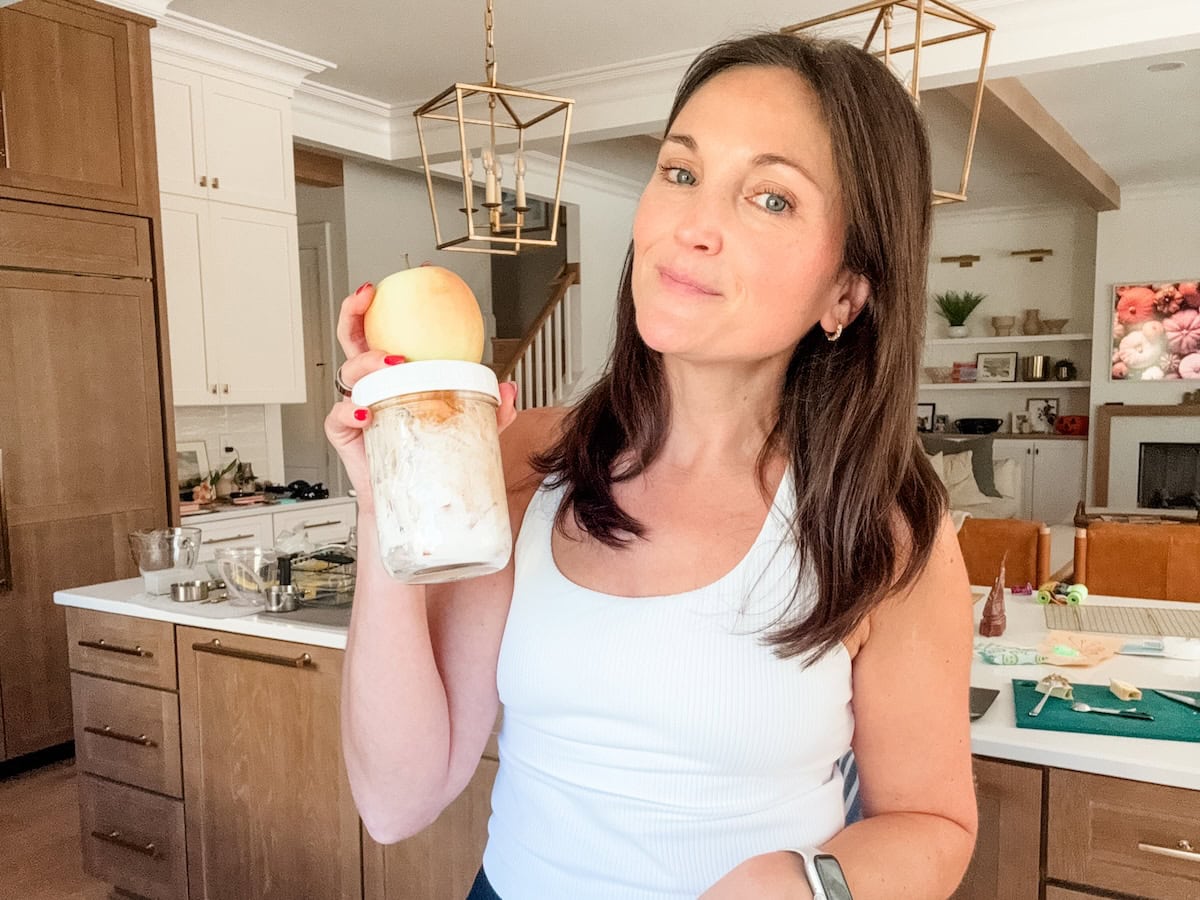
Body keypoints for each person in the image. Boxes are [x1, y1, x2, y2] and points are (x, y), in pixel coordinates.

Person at [326, 30, 977, 900]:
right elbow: (395, 801)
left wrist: (806, 883)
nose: (693, 226)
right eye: (680, 171)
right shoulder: (525, 462)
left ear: (846, 292)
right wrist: (390, 498)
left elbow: (934, 824)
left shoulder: (883, 530)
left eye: (772, 198)